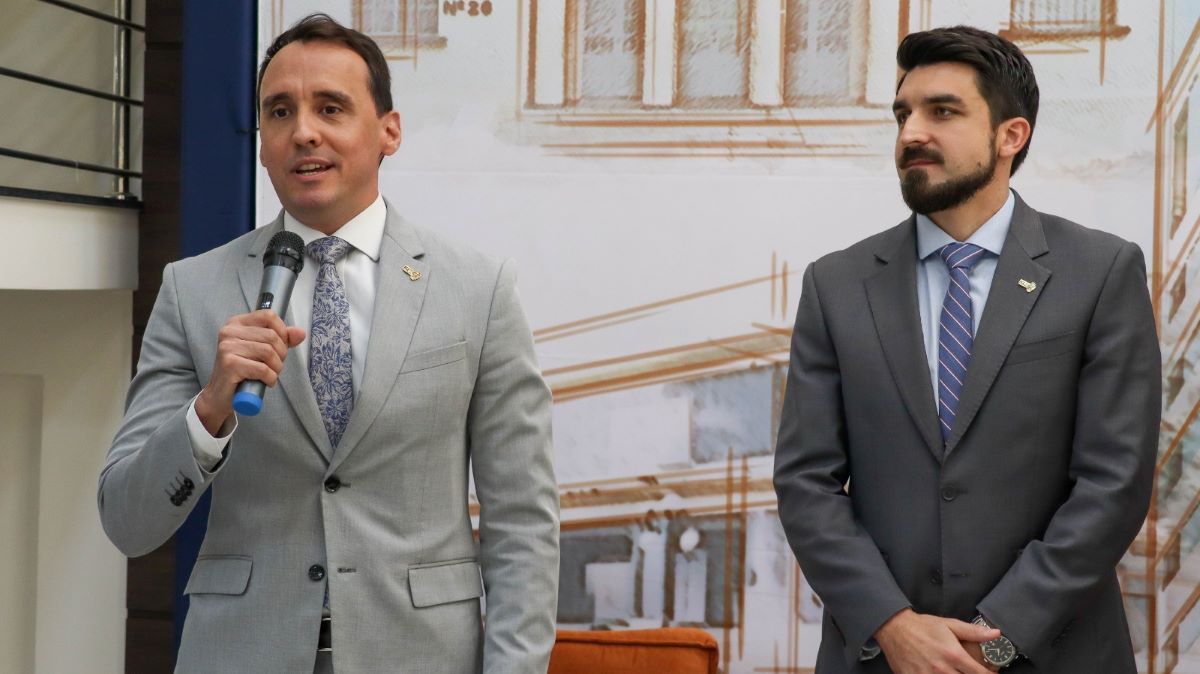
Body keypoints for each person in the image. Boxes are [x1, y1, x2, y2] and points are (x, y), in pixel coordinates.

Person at [98, 14, 559, 674]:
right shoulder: (192, 290)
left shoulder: (478, 290)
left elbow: (523, 524)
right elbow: (127, 521)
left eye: (331, 108)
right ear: (262, 143)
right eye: (280, 111)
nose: (304, 131)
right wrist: (208, 411)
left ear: (389, 131)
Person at [773, 25, 1159, 674]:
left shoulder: (1100, 273)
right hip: (881, 658)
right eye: (903, 114)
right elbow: (806, 482)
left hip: (1055, 655)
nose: (911, 133)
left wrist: (994, 643)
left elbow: (1113, 484)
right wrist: (893, 628)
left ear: (1011, 136)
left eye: (943, 112)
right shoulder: (835, 286)